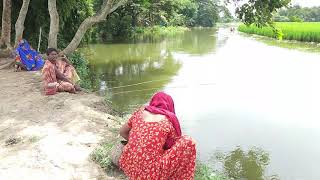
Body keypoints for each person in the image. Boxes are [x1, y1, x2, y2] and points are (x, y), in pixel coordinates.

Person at [119, 92, 196, 179]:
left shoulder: (139, 113)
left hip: (129, 164)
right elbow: (170, 146)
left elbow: (122, 132)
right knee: (189, 141)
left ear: (153, 102)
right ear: (170, 105)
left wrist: (139, 143)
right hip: (151, 173)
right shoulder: (168, 121)